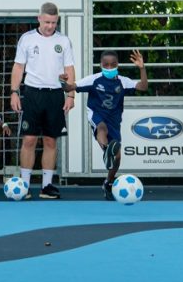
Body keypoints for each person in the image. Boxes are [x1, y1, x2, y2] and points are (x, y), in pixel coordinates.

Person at [9, 1, 76, 199]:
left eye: (54, 22)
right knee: (29, 139)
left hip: (55, 94)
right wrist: (14, 91)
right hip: (32, 93)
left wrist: (70, 94)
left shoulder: (63, 41)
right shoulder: (27, 39)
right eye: (47, 22)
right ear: (39, 18)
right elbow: (18, 67)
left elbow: (69, 69)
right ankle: (24, 185)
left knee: (50, 140)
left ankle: (47, 186)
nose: (50, 26)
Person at [63, 49, 148, 199]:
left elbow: (143, 87)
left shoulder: (123, 81)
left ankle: (108, 182)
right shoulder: (94, 80)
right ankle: (106, 150)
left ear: (117, 65)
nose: (109, 68)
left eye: (113, 65)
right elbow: (70, 87)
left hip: (114, 120)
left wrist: (142, 68)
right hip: (96, 114)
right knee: (101, 128)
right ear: (101, 65)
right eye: (106, 65)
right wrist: (63, 81)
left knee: (118, 158)